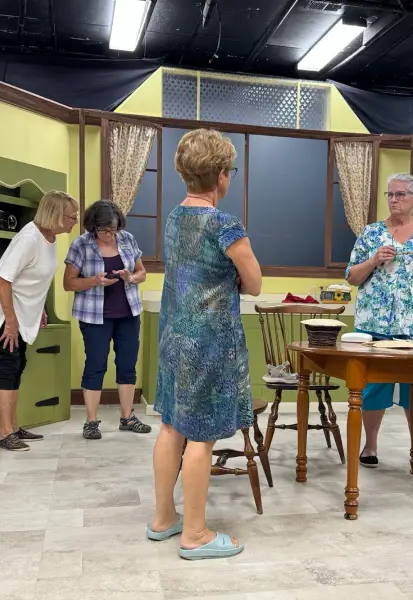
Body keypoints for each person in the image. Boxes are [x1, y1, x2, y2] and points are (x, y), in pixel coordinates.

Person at [148, 129, 262, 560]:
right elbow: (254, 283)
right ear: (220, 175)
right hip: (209, 342)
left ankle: (164, 518)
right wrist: (234, 276)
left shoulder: (175, 217)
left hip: (175, 337)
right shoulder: (224, 223)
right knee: (201, 437)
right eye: (230, 170)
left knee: (171, 427)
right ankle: (194, 534)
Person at [345, 173, 413, 470]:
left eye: (400, 194)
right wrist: (373, 260)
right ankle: (370, 445)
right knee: (374, 387)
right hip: (375, 323)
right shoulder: (371, 233)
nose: (394, 200)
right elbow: (351, 277)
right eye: (390, 195)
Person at [0, 190, 79, 452]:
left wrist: (40, 309)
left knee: (18, 363)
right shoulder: (28, 239)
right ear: (55, 215)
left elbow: (38, 279)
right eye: (71, 216)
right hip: (4, 309)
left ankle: (13, 426)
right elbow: (3, 279)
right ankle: (3, 432)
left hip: (22, 309)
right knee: (9, 364)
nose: (74, 221)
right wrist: (10, 321)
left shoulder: (50, 238)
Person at [63, 199, 151, 440]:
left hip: (128, 315)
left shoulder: (127, 239)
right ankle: (91, 422)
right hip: (94, 317)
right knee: (96, 365)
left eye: (113, 229)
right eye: (103, 230)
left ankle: (127, 417)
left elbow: (141, 272)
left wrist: (130, 277)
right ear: (93, 227)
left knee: (127, 366)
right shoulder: (80, 245)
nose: (109, 235)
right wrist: (94, 281)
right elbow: (68, 283)